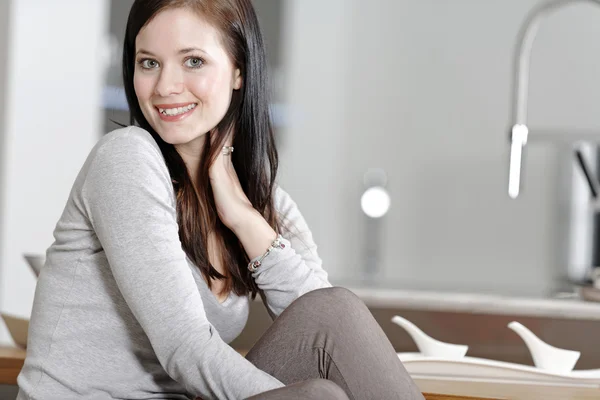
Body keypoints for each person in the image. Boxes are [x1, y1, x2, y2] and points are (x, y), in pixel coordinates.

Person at [16, 0, 424, 399]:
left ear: (238, 71)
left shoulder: (264, 203)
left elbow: (324, 328)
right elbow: (185, 348)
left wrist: (245, 219)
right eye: (149, 63)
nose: (165, 87)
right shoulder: (126, 157)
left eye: (193, 61)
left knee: (334, 312)